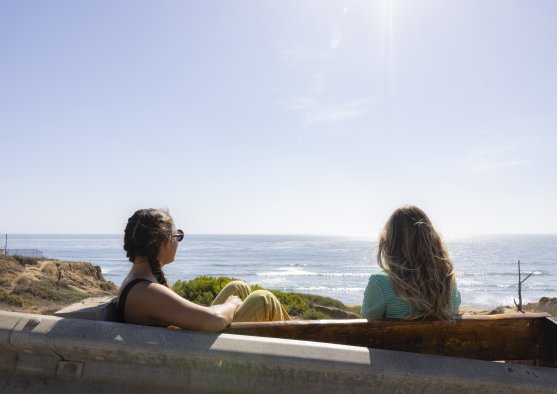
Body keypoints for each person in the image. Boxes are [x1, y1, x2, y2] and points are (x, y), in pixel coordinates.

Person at [117, 208, 290, 331]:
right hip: (194, 364)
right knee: (263, 299)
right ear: (166, 241)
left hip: (183, 350)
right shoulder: (146, 292)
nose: (178, 242)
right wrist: (231, 305)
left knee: (238, 287)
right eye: (178, 236)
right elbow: (215, 320)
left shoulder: (138, 282)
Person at [361, 205, 461, 320]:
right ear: (431, 239)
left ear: (390, 241)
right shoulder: (447, 281)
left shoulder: (380, 283)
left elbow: (367, 329)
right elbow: (454, 313)